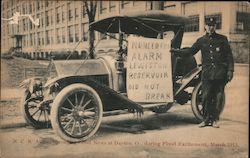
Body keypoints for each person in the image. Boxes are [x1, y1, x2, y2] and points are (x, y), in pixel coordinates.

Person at [171, 18, 234, 128]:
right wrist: (175, 51)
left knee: (218, 98)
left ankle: (214, 120)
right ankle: (205, 120)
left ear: (215, 26)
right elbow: (190, 51)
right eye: (209, 25)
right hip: (207, 73)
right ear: (205, 26)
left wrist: (230, 71)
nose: (211, 28)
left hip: (220, 73)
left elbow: (229, 56)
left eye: (213, 25)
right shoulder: (201, 40)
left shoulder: (222, 39)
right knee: (205, 97)